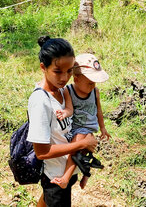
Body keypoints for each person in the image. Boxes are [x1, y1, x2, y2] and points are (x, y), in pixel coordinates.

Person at [27, 36, 98, 207]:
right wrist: (81, 144)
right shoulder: (41, 101)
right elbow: (42, 152)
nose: (64, 77)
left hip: (66, 169)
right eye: (58, 71)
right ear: (43, 68)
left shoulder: (62, 92)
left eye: (69, 71)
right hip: (56, 177)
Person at [50, 53, 111, 190]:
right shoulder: (68, 91)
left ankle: (73, 177)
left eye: (94, 82)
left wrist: (103, 128)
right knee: (78, 152)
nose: (92, 85)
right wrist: (65, 113)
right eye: (89, 82)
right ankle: (76, 175)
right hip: (76, 127)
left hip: (89, 128)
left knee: (79, 151)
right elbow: (70, 109)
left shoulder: (95, 92)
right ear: (76, 80)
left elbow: (98, 111)